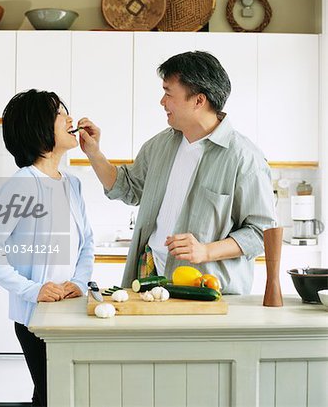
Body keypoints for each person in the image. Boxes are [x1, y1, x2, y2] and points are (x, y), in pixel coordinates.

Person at [77, 51, 275, 294]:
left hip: (204, 288)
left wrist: (206, 250)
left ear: (198, 101)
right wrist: (94, 153)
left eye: (168, 93)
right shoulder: (159, 145)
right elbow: (128, 188)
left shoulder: (244, 158)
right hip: (148, 277)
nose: (162, 102)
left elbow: (262, 233)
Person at [0, 89, 94, 407]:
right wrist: (33, 290)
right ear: (38, 128)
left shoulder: (73, 183)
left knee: (51, 393)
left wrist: (79, 283)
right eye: (58, 113)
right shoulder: (23, 183)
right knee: (55, 394)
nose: (69, 117)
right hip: (34, 317)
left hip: (67, 311)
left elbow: (87, 243)